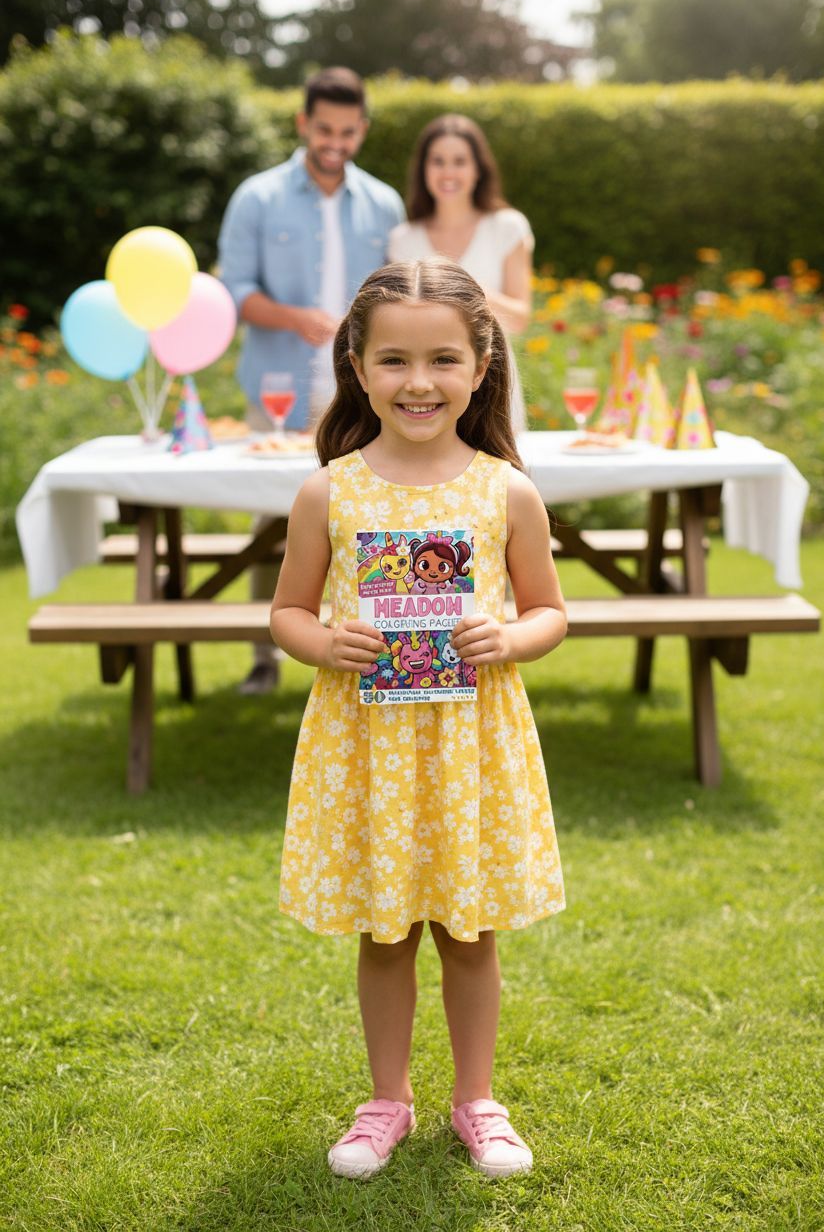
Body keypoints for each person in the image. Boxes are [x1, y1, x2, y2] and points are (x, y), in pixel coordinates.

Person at [271, 259, 567, 1181]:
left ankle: (478, 1100)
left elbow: (550, 612)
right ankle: (385, 1100)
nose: (419, 382)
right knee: (386, 929)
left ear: (481, 365)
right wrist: (325, 644)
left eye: (443, 359)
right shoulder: (330, 490)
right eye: (394, 360)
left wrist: (508, 638)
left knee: (470, 931)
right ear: (357, 366)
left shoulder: (506, 491)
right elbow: (285, 612)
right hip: (370, 744)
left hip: (468, 745)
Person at [218, 66, 404, 694]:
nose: (335, 142)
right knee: (271, 523)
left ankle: (379, 653)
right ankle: (263, 660)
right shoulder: (257, 197)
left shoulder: (384, 204)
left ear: (363, 131)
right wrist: (293, 316)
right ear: (303, 124)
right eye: (324, 129)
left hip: (363, 389)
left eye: (348, 132)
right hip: (280, 389)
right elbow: (233, 293)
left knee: (375, 515)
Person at [388, 114, 534, 432]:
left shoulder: (507, 227)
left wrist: (462, 289)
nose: (448, 172)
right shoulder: (403, 238)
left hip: (490, 379)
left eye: (459, 161)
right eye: (438, 161)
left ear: (477, 168)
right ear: (424, 169)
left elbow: (520, 317)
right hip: (425, 388)